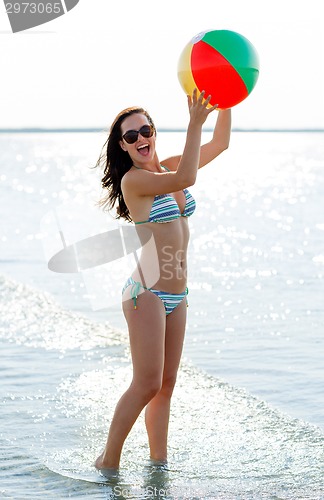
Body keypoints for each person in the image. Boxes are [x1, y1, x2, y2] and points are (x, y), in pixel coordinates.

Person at [94, 89, 231, 474]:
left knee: (166, 386)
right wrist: (194, 122)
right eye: (131, 136)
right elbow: (188, 176)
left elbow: (220, 143)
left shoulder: (167, 168)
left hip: (178, 295)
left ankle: (158, 465)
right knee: (146, 383)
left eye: (145, 130)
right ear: (122, 147)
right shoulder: (134, 182)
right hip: (146, 293)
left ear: (154, 133)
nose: (140, 139)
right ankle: (109, 462)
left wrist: (228, 96)